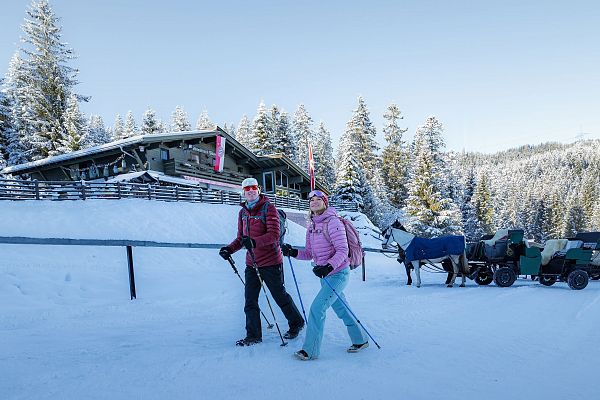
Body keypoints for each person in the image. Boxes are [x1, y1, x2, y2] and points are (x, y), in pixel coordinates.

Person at [281, 190, 368, 360]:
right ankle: (361, 339)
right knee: (342, 308)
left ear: (325, 202)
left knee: (316, 309)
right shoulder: (312, 225)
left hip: (338, 274)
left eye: (318, 199)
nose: (314, 202)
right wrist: (292, 252)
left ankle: (310, 350)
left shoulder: (333, 222)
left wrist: (328, 267)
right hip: (326, 276)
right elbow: (309, 253)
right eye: (311, 200)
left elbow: (343, 250)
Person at [219, 177, 305, 346]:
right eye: (246, 189)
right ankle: (253, 335)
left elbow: (274, 235)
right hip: (251, 263)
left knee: (279, 296)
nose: (250, 191)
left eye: (253, 188)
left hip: (271, 261)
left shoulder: (269, 208)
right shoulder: (243, 212)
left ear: (258, 190)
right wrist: (229, 249)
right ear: (243, 192)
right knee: (250, 300)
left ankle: (296, 322)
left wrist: (255, 242)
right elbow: (241, 238)